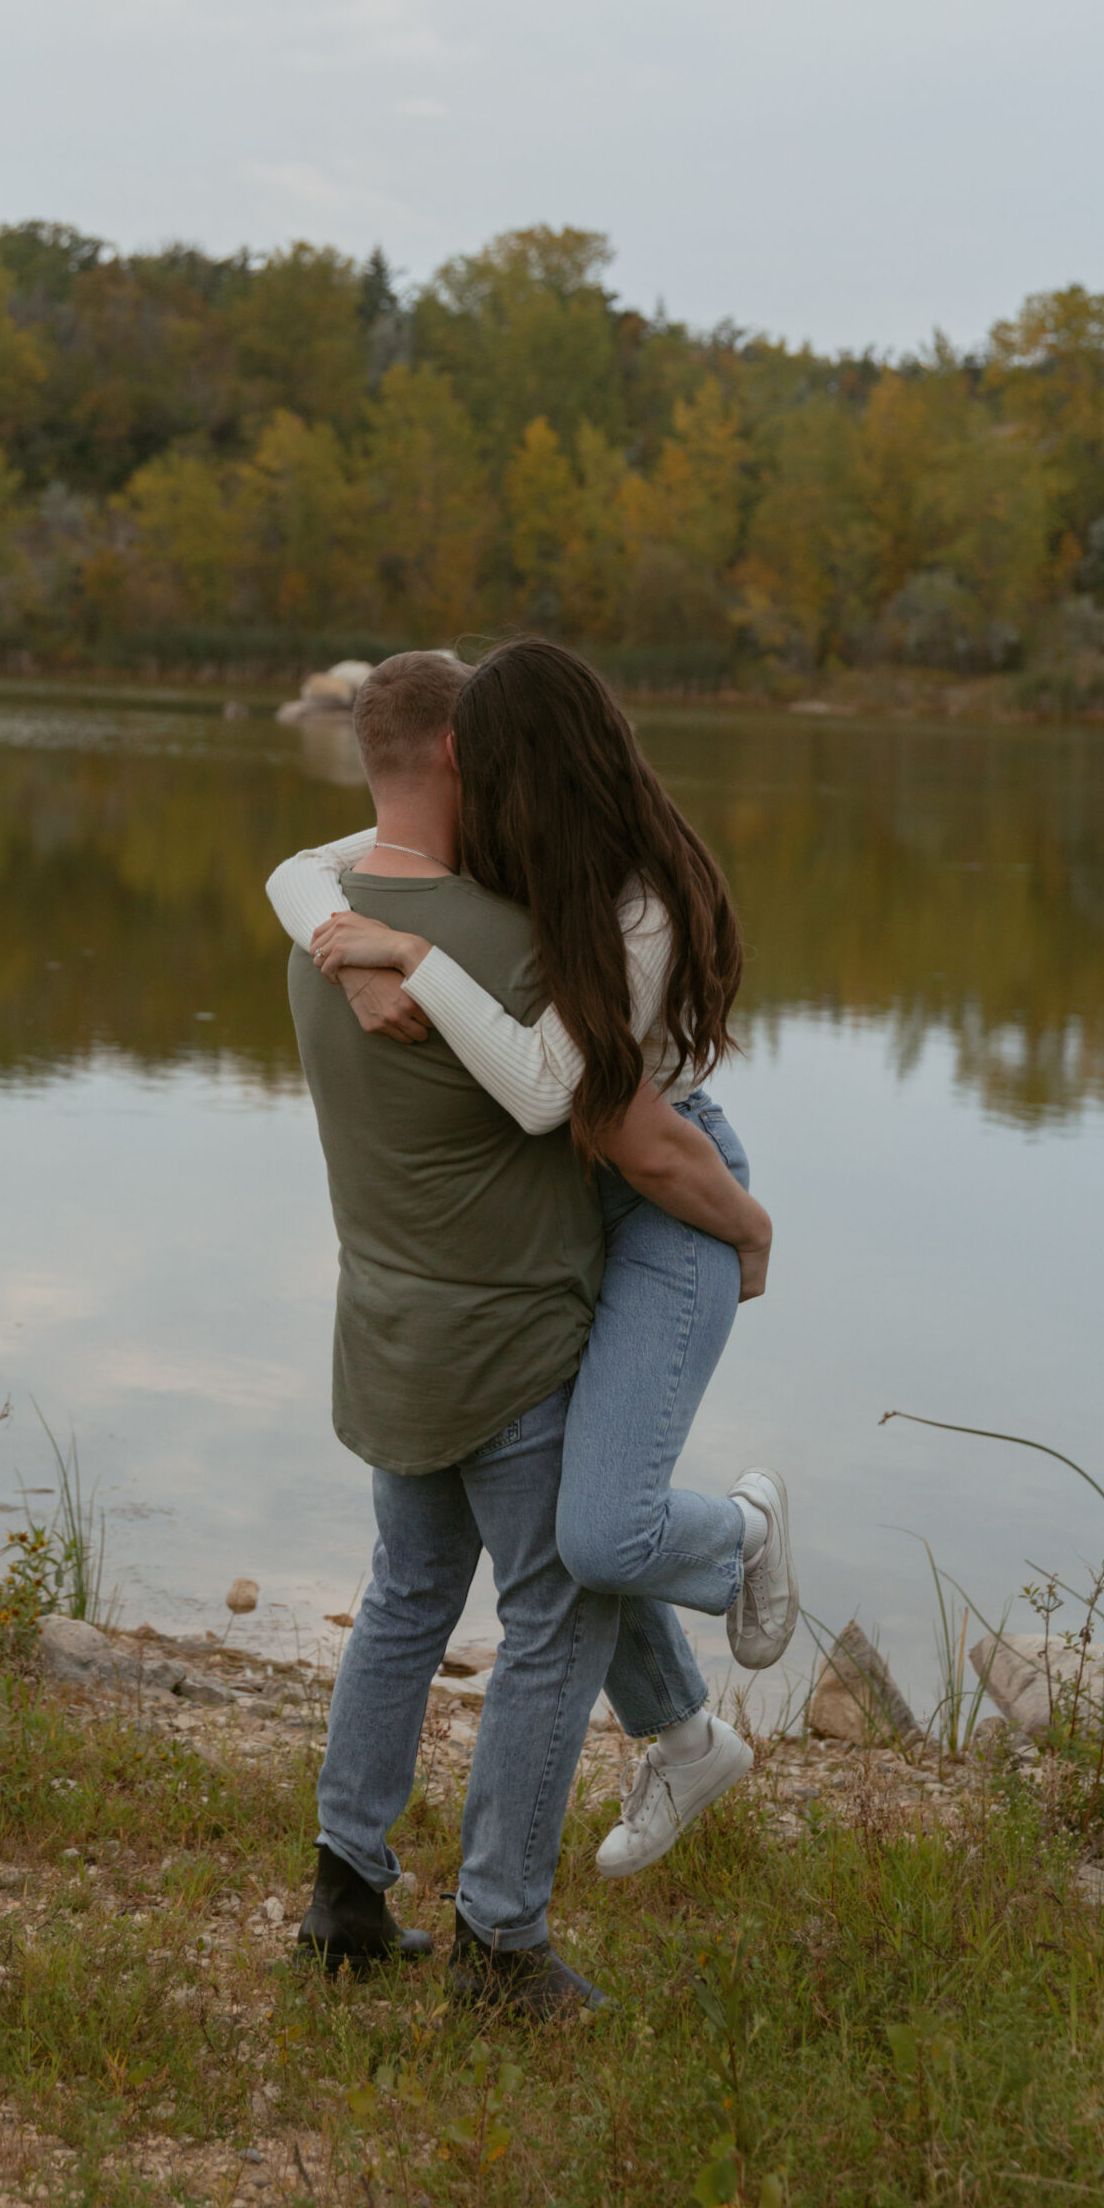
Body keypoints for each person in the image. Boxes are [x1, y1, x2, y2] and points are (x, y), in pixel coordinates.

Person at [270, 637, 794, 1886]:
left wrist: (749, 1223)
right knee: (562, 1531)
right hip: (576, 1195)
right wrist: (348, 946)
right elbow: (300, 870)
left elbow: (565, 1099)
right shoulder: (521, 874)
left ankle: (744, 1536)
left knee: (589, 1536)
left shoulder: (633, 905)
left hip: (669, 1186)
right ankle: (678, 1740)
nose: (483, 793)